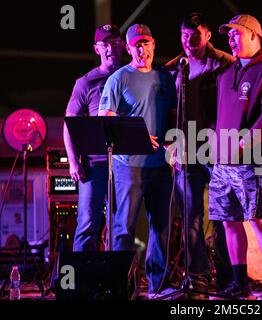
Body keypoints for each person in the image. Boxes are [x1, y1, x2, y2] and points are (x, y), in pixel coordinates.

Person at [209, 14, 262, 300]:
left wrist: (246, 144)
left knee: (256, 219)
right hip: (222, 161)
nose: (230, 39)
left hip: (252, 159)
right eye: (228, 35)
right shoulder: (227, 72)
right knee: (229, 221)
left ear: (254, 35)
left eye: (236, 34)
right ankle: (239, 282)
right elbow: (219, 117)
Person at [98, 24, 177, 296]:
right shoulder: (118, 79)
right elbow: (105, 119)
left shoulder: (166, 78)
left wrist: (176, 142)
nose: (142, 49)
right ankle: (122, 288)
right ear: (129, 49)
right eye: (136, 45)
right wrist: (139, 135)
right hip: (128, 166)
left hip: (161, 166)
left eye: (146, 43)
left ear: (153, 44)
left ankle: (159, 286)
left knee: (162, 228)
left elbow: (175, 116)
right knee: (123, 229)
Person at [165, 12, 235, 291]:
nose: (189, 42)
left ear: (207, 36)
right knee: (191, 214)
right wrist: (172, 144)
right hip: (186, 150)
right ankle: (198, 275)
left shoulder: (226, 64)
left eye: (195, 36)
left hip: (218, 149)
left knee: (222, 215)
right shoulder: (173, 67)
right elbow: (168, 111)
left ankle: (230, 275)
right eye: (184, 36)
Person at [63, 24, 124, 252]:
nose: (111, 49)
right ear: (96, 49)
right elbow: (70, 124)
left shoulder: (131, 76)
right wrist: (73, 161)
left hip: (125, 166)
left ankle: (118, 282)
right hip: (94, 166)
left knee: (121, 226)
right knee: (88, 223)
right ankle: (82, 283)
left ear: (123, 47)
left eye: (116, 44)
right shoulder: (86, 82)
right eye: (105, 44)